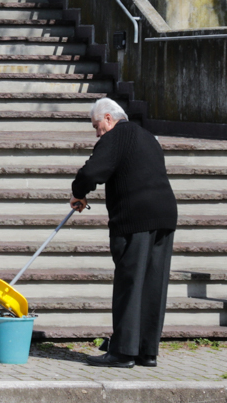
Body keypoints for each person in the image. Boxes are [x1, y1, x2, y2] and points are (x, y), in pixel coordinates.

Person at [69, 98, 178, 368]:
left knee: (130, 282)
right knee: (153, 284)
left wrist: (78, 193)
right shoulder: (148, 137)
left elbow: (93, 171)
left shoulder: (117, 135)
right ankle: (146, 351)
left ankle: (123, 352)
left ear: (108, 118)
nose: (97, 133)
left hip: (135, 218)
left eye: (97, 126)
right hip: (164, 215)